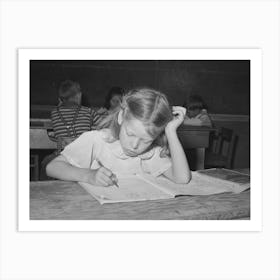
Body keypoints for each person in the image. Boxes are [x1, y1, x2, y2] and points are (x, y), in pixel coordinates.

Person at [46, 88, 191, 186]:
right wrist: (88, 175)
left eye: (146, 140)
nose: (135, 145)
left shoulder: (151, 153)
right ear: (121, 117)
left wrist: (171, 132)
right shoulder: (96, 140)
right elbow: (53, 167)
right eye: (130, 133)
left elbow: (182, 178)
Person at [40, 80, 97, 180]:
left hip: (62, 155)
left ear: (61, 99)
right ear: (78, 96)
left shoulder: (54, 113)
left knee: (46, 162)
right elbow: (102, 125)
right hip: (83, 157)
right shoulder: (89, 112)